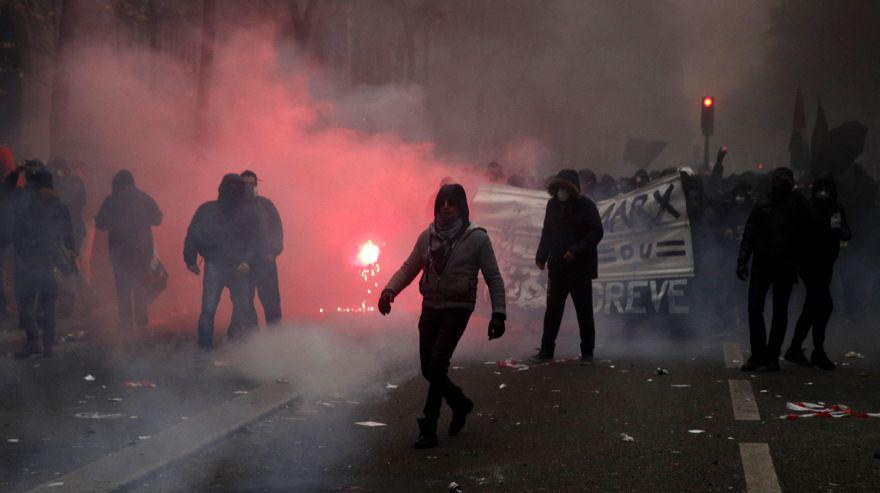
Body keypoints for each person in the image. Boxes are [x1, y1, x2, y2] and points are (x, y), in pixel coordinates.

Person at [378, 183, 506, 449]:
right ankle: (459, 403)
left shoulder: (477, 238)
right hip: (431, 306)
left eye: (452, 202)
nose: (446, 207)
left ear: (462, 206)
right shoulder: (428, 236)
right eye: (442, 202)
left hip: (458, 308)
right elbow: (410, 267)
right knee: (427, 367)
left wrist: (499, 314)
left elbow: (493, 277)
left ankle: (429, 426)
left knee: (436, 366)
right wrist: (389, 290)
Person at [737, 167, 807, 371]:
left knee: (780, 311)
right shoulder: (762, 204)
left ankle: (772, 354)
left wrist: (797, 192)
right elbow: (749, 234)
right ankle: (758, 354)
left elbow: (809, 223)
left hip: (785, 266)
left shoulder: (796, 205)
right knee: (754, 308)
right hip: (762, 265)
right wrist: (742, 261)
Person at [531, 169, 604, 364]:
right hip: (558, 267)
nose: (561, 191)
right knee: (552, 311)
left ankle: (587, 352)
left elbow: (596, 232)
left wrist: (576, 250)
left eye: (564, 188)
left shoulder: (586, 206)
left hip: (580, 268)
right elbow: (547, 232)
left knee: (584, 312)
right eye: (558, 188)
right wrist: (541, 255)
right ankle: (546, 350)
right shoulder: (552, 205)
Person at [184, 174, 259, 351]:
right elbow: (194, 234)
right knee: (226, 308)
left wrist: (247, 261)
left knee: (226, 309)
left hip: (228, 266)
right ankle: (215, 346)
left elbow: (255, 240)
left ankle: (215, 346)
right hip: (219, 265)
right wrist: (190, 259)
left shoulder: (211, 209)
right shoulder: (210, 210)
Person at [784, 173, 851, 370]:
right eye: (820, 189)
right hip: (810, 264)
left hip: (827, 264)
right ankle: (816, 350)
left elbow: (846, 232)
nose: (823, 193)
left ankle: (799, 349)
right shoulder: (809, 209)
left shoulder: (837, 209)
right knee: (823, 304)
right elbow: (799, 236)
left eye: (826, 190)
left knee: (813, 307)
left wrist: (841, 232)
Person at [13, 169, 75, 358]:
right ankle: (48, 344)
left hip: (30, 260)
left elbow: (17, 232)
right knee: (49, 303)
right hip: (52, 260)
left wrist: (21, 253)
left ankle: (33, 342)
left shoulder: (24, 204)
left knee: (26, 302)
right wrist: (69, 256)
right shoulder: (59, 206)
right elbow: (68, 236)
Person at [95, 170, 163, 330]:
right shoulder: (144, 198)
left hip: (119, 251)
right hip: (142, 249)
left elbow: (101, 224)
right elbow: (158, 219)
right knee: (141, 283)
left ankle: (126, 323)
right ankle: (142, 319)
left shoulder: (111, 200)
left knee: (123, 287)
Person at [236, 170, 283, 326]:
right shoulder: (233, 207)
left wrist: (273, 251)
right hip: (244, 264)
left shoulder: (266, 205)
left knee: (271, 303)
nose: (249, 187)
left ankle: (275, 339)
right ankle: (253, 342)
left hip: (265, 261)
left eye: (252, 184)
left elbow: (277, 229)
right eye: (245, 184)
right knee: (246, 304)